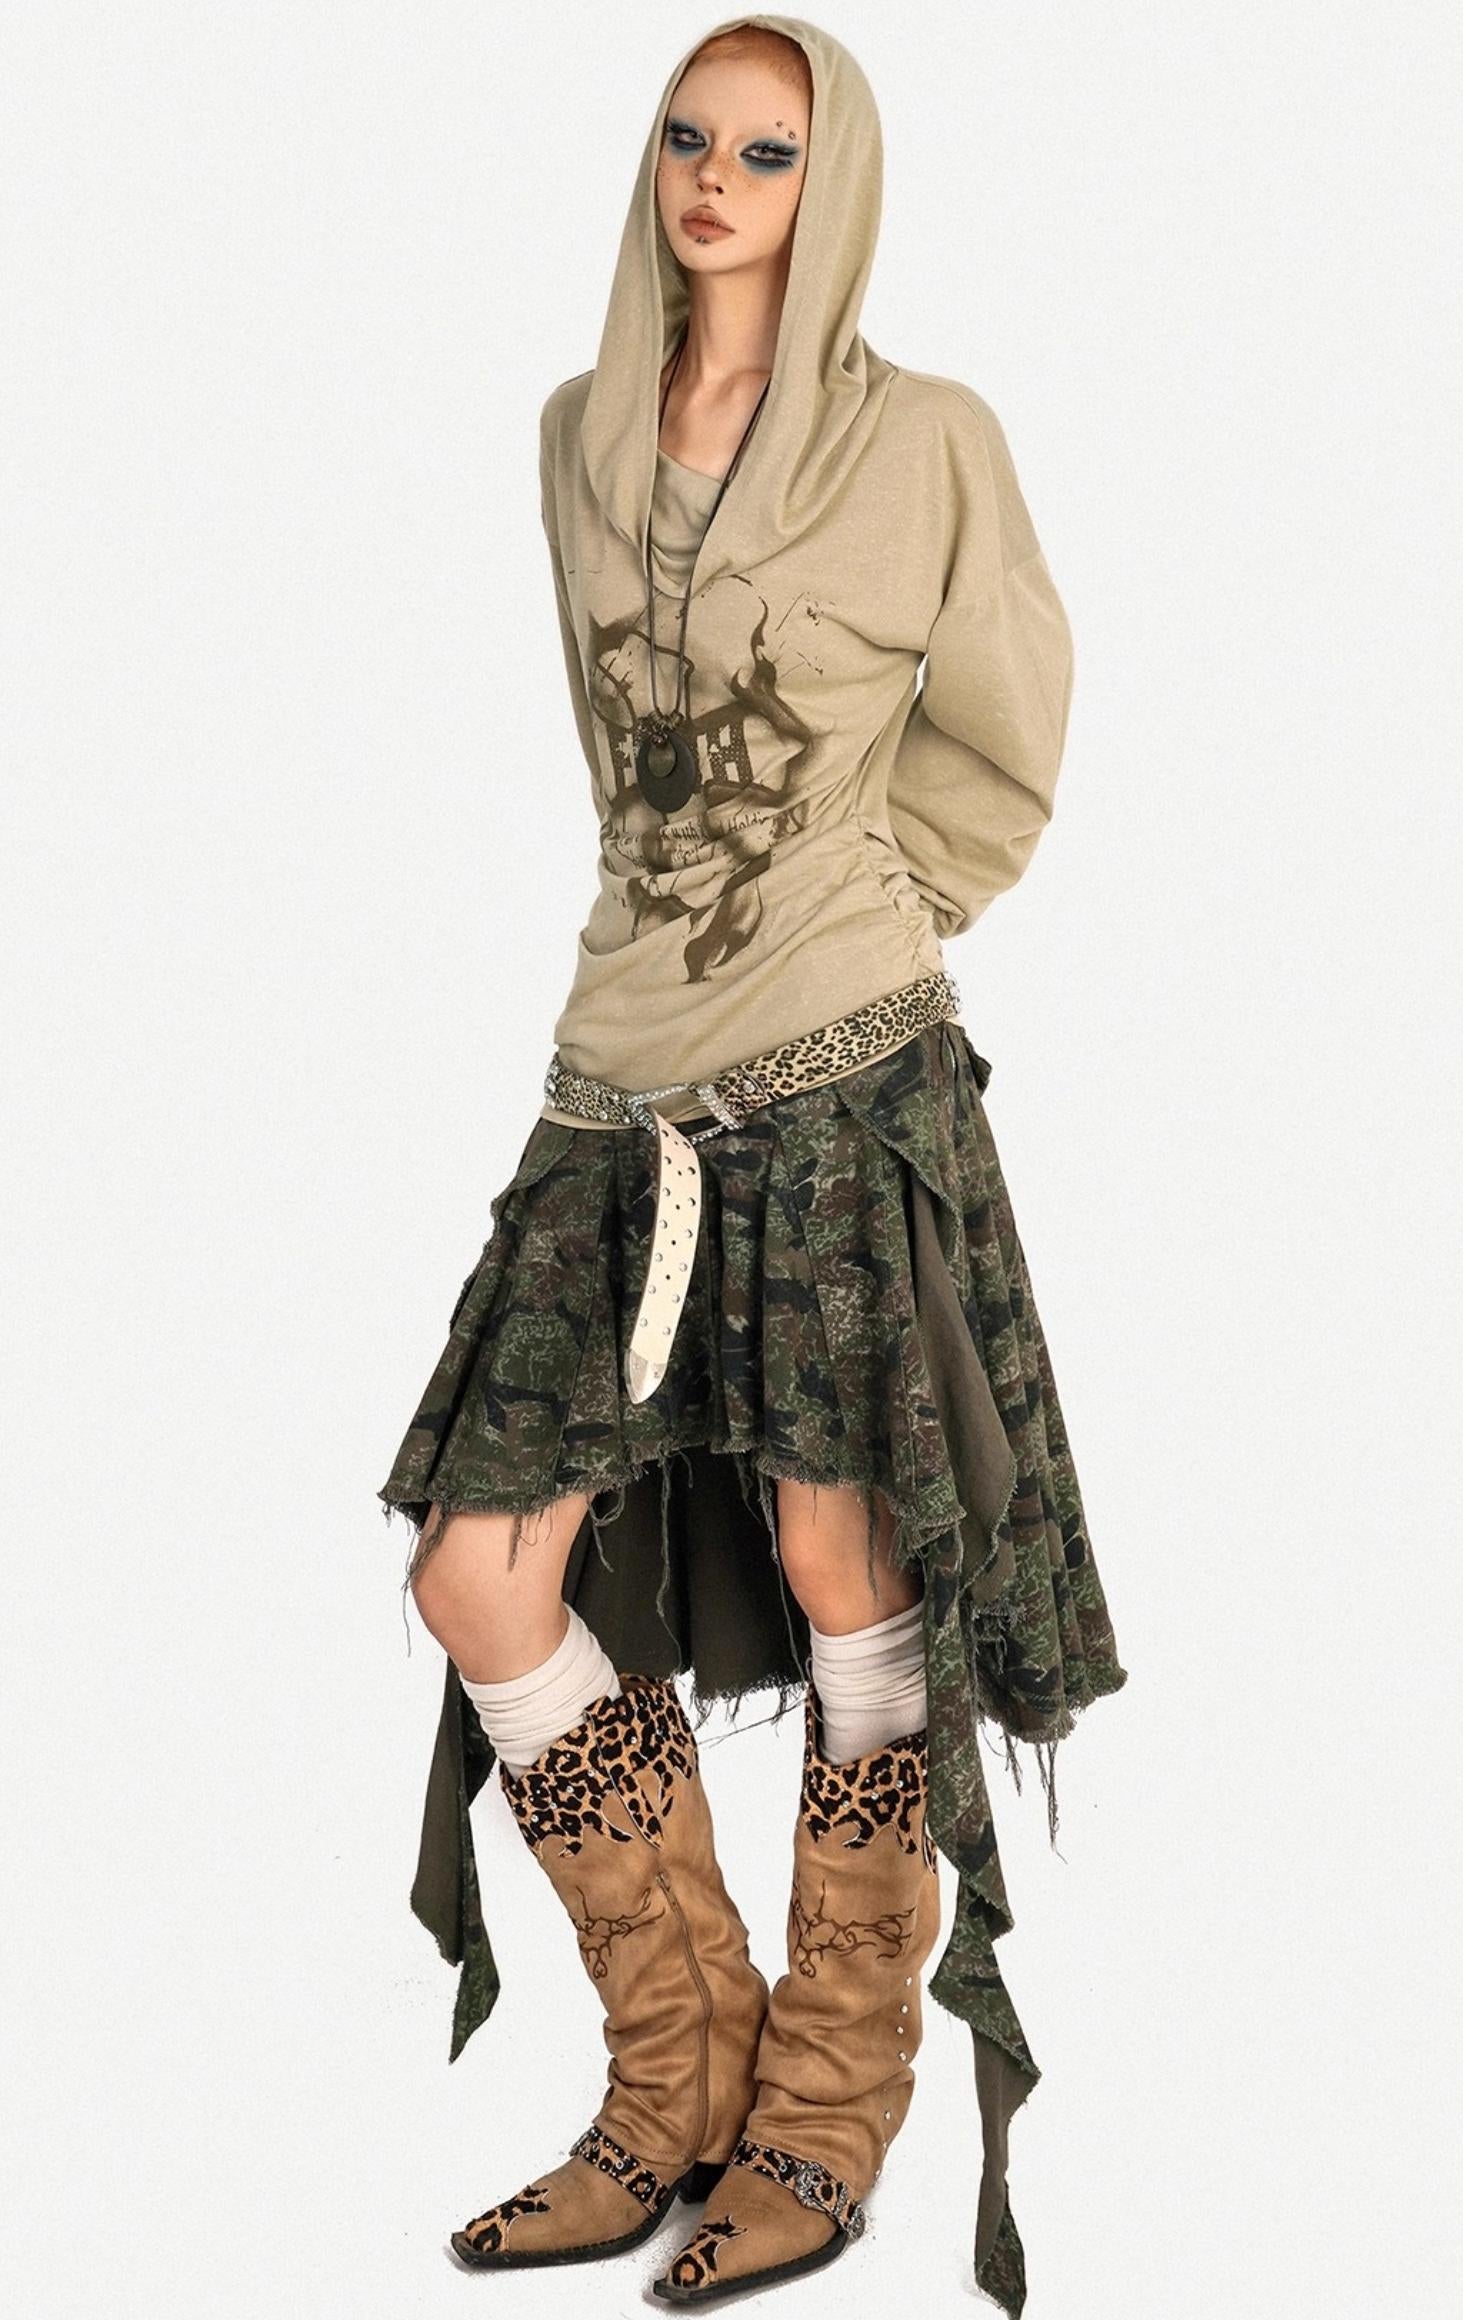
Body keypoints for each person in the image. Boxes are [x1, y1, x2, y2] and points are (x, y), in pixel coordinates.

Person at [377, 15, 1128, 2317]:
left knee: (837, 1554)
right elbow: (627, 772)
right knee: (483, 1570)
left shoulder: (929, 443)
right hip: (612, 1081)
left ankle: (821, 2103)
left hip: (842, 1072)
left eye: (768, 149)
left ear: (835, 181)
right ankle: (675, 2068)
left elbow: (1005, 747)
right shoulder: (575, 436)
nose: (715, 177)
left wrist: (862, 908)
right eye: (687, 138)